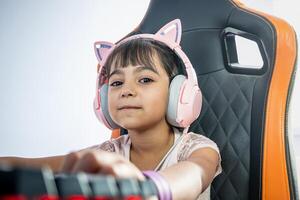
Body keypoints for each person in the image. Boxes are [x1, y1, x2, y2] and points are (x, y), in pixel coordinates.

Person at [0, 19, 221, 200]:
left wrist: (145, 188)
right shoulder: (109, 152)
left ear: (179, 94)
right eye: (116, 83)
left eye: (144, 79)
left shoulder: (197, 148)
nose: (126, 90)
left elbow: (195, 173)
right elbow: (31, 166)